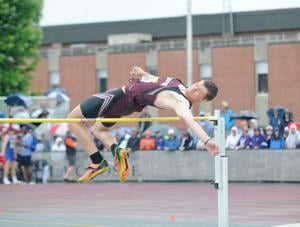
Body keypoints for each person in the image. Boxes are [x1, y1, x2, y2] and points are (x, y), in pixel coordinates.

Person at [67, 66, 219, 183]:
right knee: (100, 130)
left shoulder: (180, 102)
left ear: (203, 100)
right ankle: (118, 151)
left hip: (119, 97)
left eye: (199, 91)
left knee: (72, 120)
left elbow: (189, 120)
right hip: (126, 104)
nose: (194, 88)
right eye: (197, 85)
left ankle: (97, 161)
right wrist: (142, 73)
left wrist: (206, 140)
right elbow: (156, 80)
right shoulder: (179, 84)